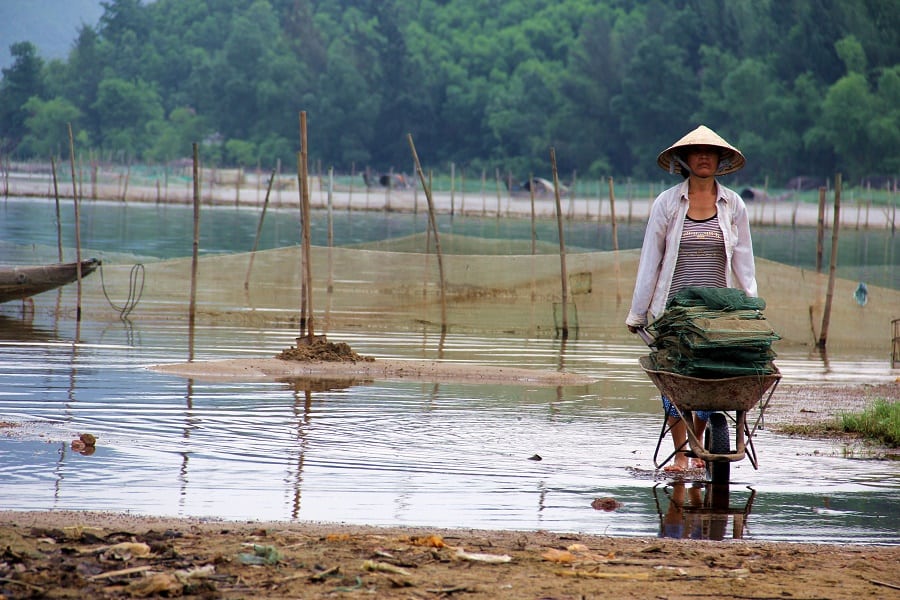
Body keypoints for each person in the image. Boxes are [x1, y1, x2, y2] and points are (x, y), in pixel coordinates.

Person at [625, 125, 757, 473]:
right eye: (697, 152)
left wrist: (751, 309)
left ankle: (699, 448)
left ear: (719, 160)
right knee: (677, 380)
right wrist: (638, 312)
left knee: (708, 381)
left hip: (717, 312)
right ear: (684, 160)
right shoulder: (667, 203)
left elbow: (744, 261)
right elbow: (650, 260)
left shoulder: (733, 205)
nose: (703, 158)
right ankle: (681, 453)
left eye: (710, 153)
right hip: (674, 310)